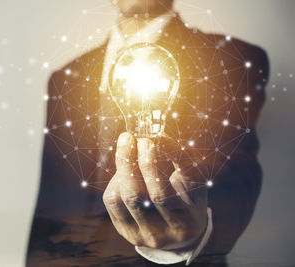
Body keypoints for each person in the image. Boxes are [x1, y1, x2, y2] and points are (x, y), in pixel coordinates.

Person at [26, 0, 269, 266]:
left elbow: (235, 172)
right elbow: (53, 193)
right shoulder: (65, 78)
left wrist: (189, 235)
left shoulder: (232, 58)